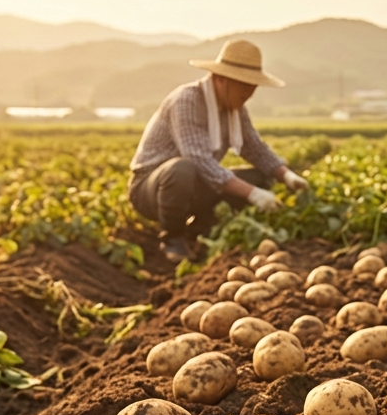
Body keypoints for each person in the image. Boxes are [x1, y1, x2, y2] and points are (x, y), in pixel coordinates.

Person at [129, 39, 309, 261]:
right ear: (221, 79)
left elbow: (254, 148)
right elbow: (198, 160)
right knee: (183, 168)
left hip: (196, 183)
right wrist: (252, 194)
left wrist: (287, 176)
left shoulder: (235, 109)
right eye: (244, 84)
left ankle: (200, 229)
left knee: (261, 177)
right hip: (152, 189)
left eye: (253, 85)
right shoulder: (186, 100)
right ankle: (173, 240)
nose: (249, 92)